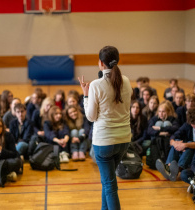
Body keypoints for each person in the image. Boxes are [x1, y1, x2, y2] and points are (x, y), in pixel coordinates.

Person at [79, 46, 132, 210]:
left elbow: (91, 117)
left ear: (101, 63)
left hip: (104, 142)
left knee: (109, 185)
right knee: (107, 182)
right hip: (124, 139)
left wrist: (86, 95)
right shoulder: (127, 80)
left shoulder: (96, 85)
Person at [156, 107, 195, 182]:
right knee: (177, 141)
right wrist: (174, 143)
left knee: (188, 145)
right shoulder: (187, 125)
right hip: (186, 153)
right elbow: (175, 135)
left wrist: (185, 145)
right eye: (193, 124)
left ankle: (176, 169)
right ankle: (169, 167)